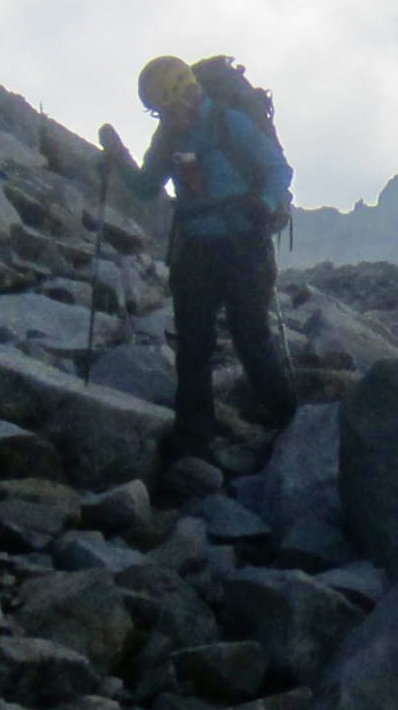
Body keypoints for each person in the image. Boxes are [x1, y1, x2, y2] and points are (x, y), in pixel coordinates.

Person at [99, 51, 299, 457]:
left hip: (241, 241)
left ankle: (282, 420)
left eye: (173, 104)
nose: (174, 113)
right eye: (165, 110)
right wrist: (117, 156)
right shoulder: (169, 137)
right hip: (201, 247)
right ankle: (200, 437)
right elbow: (146, 187)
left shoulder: (229, 121)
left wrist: (265, 203)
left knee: (246, 336)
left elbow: (279, 169)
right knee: (196, 343)